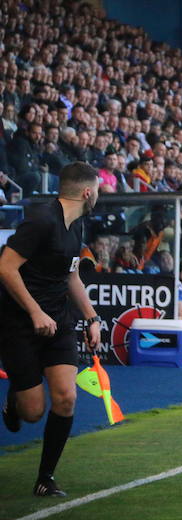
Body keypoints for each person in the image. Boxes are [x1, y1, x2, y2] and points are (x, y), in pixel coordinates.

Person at [0, 162, 102, 497]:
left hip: (59, 321)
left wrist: (91, 319)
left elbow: (71, 276)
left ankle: (46, 478)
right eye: (98, 188)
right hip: (20, 322)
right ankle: (15, 399)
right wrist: (35, 312)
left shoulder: (77, 226)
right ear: (88, 192)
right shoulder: (42, 220)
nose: (99, 193)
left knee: (66, 397)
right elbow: (5, 267)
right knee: (32, 413)